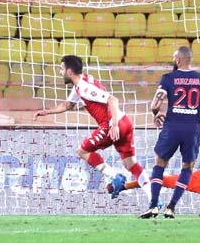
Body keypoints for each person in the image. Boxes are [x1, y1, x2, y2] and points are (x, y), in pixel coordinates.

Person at [33, 55, 151, 200]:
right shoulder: (81, 84)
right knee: (131, 164)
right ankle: (154, 200)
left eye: (61, 69)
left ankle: (115, 177)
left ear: (69, 72)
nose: (60, 72)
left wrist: (113, 125)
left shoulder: (84, 88)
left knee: (82, 151)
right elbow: (68, 104)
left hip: (112, 124)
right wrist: (46, 112)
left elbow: (112, 99)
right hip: (125, 122)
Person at [139, 46, 200, 219]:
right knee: (187, 166)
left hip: (172, 126)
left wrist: (157, 115)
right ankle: (171, 207)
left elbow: (154, 105)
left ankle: (153, 206)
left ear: (178, 60)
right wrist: (194, 109)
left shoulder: (168, 79)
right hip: (192, 128)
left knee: (160, 163)